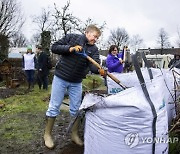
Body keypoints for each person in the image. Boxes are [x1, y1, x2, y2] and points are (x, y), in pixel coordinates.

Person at [44, 24, 104, 149]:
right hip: (61, 77)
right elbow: (54, 47)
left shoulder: (94, 50)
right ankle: (47, 135)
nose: (96, 39)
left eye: (97, 38)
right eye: (94, 36)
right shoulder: (72, 38)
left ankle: (74, 134)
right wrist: (70, 48)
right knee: (54, 106)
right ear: (87, 33)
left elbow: (93, 66)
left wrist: (99, 70)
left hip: (76, 82)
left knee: (76, 109)